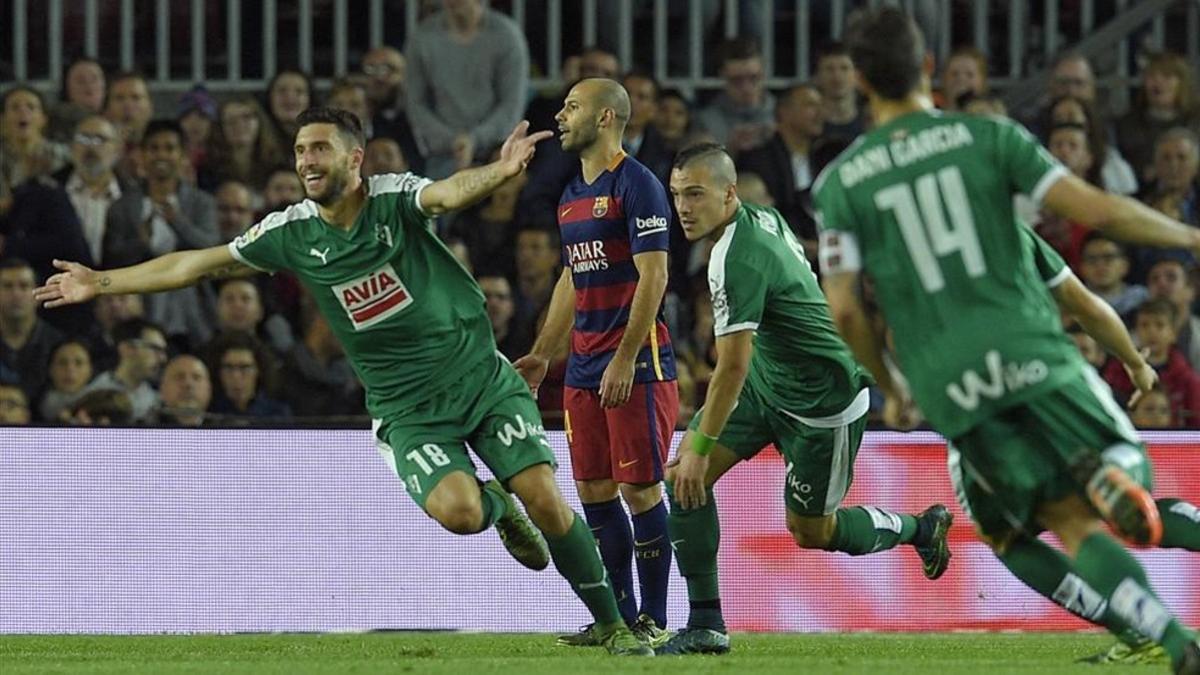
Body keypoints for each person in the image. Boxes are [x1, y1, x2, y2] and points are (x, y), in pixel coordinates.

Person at [34, 106, 652, 657]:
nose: (306, 160)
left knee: (548, 497)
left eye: (320, 148)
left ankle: (612, 625)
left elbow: (444, 195)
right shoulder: (292, 231)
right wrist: (102, 281)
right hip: (408, 410)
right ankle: (498, 506)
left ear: (354, 159)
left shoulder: (390, 198)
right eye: (301, 149)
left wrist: (497, 171)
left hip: (481, 378)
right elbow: (195, 264)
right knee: (463, 514)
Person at [814, 7, 1200, 673]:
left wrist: (898, 386)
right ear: (929, 69)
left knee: (1035, 529)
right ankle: (1111, 480)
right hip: (1030, 349)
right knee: (1117, 470)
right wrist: (1188, 235)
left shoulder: (840, 184)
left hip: (951, 380)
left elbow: (844, 309)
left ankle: (1168, 638)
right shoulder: (988, 138)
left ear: (861, 85)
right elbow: (1098, 209)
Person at [656, 143, 953, 656]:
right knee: (686, 476)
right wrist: (698, 449)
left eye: (696, 194)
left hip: (823, 404)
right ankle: (705, 622)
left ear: (729, 194)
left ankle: (920, 527)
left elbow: (730, 365)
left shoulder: (734, 257)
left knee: (811, 531)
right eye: (677, 194)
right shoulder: (760, 217)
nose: (683, 207)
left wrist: (702, 443)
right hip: (768, 383)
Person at [514, 79, 677, 647]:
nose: (560, 115)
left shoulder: (639, 185)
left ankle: (655, 620)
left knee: (641, 492)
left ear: (606, 117)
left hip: (636, 364)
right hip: (582, 366)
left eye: (572, 107)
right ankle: (618, 620)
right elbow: (570, 277)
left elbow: (654, 275)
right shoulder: (570, 193)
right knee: (594, 491)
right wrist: (542, 353)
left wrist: (625, 357)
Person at [1018, 226, 1200, 664]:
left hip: (1040, 391)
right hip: (1021, 397)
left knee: (1025, 529)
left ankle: (1138, 629)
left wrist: (1135, 362)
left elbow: (1080, 301)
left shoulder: (998, 234)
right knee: (1031, 526)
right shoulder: (1002, 230)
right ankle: (1137, 629)